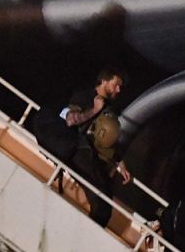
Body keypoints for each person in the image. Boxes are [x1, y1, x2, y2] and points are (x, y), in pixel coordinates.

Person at [56, 69, 132, 226]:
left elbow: (105, 138)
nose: (118, 90)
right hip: (79, 151)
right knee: (101, 201)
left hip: (93, 157)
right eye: (116, 85)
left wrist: (120, 162)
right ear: (104, 81)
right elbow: (70, 121)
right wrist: (95, 110)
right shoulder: (84, 97)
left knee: (106, 200)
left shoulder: (109, 107)